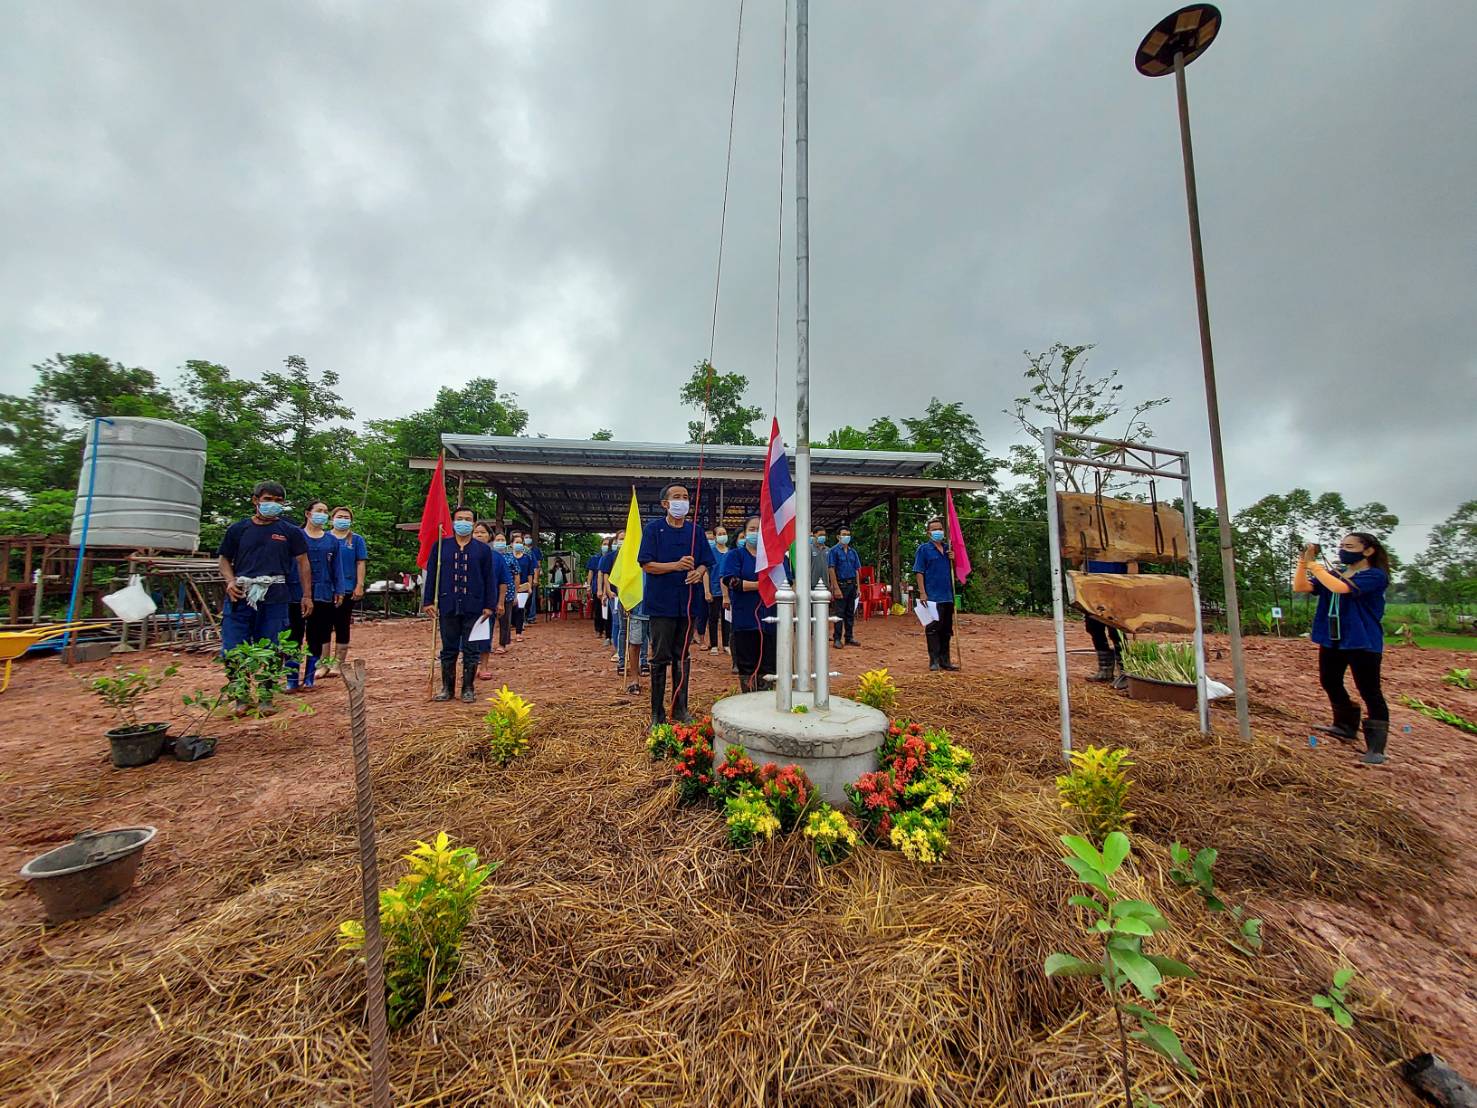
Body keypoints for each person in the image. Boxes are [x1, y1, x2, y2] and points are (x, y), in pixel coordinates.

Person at [1295, 533, 1392, 765]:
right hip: (1333, 638)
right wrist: (1303, 561)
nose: (1342, 550)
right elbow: (1301, 586)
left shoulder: (1375, 576)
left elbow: (1340, 589)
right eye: (1341, 546)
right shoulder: (1334, 574)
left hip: (1362, 640)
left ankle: (1376, 748)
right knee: (1330, 680)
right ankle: (1344, 725)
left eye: (1349, 546)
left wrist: (1314, 565)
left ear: (1368, 551)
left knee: (1369, 690)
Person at [638, 484, 716, 726]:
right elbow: (647, 564)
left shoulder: (696, 531)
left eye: (685, 497)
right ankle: (656, 713)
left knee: (682, 656)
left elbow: (706, 562)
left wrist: (698, 571)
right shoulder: (653, 530)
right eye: (676, 497)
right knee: (660, 657)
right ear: (665, 504)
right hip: (661, 604)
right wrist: (676, 565)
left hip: (688, 603)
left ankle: (680, 707)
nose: (682, 501)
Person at [422, 505, 506, 702]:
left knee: (471, 648)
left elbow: (489, 579)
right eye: (460, 518)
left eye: (468, 519)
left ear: (473, 522)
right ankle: (447, 688)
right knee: (449, 648)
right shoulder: (442, 546)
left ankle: (468, 688)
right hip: (448, 603)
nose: (464, 523)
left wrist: (489, 605)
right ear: (453, 521)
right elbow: (432, 574)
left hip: (475, 606)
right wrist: (427, 601)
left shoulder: (483, 550)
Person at [218, 481, 310, 657]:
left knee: (273, 648)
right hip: (240, 594)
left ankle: (268, 684)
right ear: (255, 500)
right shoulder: (238, 529)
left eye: (278, 500)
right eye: (268, 499)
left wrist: (306, 595)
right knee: (233, 650)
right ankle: (240, 684)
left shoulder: (290, 531)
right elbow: (224, 559)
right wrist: (230, 581)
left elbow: (303, 563)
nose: (273, 504)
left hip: (276, 595)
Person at [724, 515, 791, 693]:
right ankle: (748, 699)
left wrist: (754, 586)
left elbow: (786, 583)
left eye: (760, 529)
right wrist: (763, 586)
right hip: (745, 620)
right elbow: (732, 581)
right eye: (752, 529)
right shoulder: (735, 555)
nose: (757, 533)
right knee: (747, 665)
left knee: (769, 665)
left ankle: (766, 699)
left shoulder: (778, 558)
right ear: (745, 534)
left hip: (771, 618)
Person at [284, 500, 340, 690]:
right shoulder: (295, 536)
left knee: (317, 635)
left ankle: (309, 677)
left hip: (323, 593)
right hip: (295, 592)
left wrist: (339, 589)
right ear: (308, 514)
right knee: (293, 635)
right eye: (319, 511)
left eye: (326, 511)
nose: (323, 514)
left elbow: (336, 567)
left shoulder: (331, 540)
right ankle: (291, 678)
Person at [326, 505, 368, 674]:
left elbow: (360, 562)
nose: (343, 520)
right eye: (339, 516)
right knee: (323, 626)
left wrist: (359, 585)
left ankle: (338, 664)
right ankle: (323, 663)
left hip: (347, 587)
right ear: (332, 519)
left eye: (346, 517)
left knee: (342, 624)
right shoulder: (324, 538)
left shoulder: (356, 540)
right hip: (325, 588)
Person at [913, 516, 957, 671]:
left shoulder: (948, 549)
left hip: (947, 596)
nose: (938, 531)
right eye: (934, 529)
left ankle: (946, 660)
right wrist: (922, 592)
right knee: (933, 628)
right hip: (932, 597)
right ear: (928, 533)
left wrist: (954, 558)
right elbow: (919, 571)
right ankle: (934, 660)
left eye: (940, 529)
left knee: (946, 629)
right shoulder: (924, 549)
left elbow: (956, 570)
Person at [1080, 558, 1131, 688]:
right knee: (1093, 627)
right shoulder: (1088, 542)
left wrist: (1129, 587)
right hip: (1093, 588)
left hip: (1116, 587)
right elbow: (1078, 561)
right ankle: (1105, 669)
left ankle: (1126, 672)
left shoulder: (1119, 542)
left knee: (1116, 630)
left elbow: (1132, 564)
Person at [828, 523, 862, 648]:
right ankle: (837, 638)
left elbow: (857, 570)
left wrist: (858, 587)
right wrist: (835, 587)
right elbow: (831, 569)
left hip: (852, 584)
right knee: (839, 614)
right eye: (844, 535)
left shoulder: (853, 552)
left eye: (848, 535)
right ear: (838, 537)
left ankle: (849, 637)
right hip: (841, 585)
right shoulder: (834, 551)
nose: (846, 537)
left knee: (849, 613)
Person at [472, 522, 498, 679]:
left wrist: (497, 602)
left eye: (482, 532)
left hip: (487, 601)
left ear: (490, 536)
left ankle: (484, 666)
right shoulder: (465, 553)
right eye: (476, 532)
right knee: (467, 637)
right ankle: (470, 666)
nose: (479, 535)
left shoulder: (496, 557)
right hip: (468, 601)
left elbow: (500, 581)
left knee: (484, 635)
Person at [492, 530, 519, 653]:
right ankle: (485, 644)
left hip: (508, 591)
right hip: (491, 591)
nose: (500, 542)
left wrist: (515, 594)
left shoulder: (510, 557)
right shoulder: (489, 556)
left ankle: (502, 643)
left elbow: (516, 576)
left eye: (502, 540)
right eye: (498, 540)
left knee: (505, 619)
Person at [600, 529, 625, 666]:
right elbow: (606, 575)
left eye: (625, 539)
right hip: (614, 595)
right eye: (620, 539)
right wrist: (608, 591)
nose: (622, 541)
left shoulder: (633, 556)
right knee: (617, 623)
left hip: (628, 595)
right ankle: (618, 650)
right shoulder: (609, 557)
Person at [705, 525, 731, 655]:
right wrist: (707, 591)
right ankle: (714, 644)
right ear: (715, 537)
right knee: (713, 617)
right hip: (714, 590)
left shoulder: (731, 552)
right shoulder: (710, 552)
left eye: (724, 533)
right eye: (719, 534)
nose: (722, 536)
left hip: (730, 591)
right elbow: (706, 573)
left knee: (727, 619)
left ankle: (727, 644)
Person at [512, 533, 537, 641]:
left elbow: (530, 573)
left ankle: (519, 632)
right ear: (511, 544)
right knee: (512, 609)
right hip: (510, 587)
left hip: (523, 586)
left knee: (520, 608)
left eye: (521, 543)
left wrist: (530, 586)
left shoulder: (527, 557)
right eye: (516, 542)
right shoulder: (508, 558)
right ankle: (513, 623)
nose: (519, 544)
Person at [588, 541, 608, 642]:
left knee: (608, 611)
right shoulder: (595, 558)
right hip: (597, 587)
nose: (606, 546)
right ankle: (598, 629)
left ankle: (607, 630)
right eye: (604, 544)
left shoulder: (611, 557)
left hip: (610, 588)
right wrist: (589, 585)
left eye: (608, 544)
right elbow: (591, 572)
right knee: (598, 610)